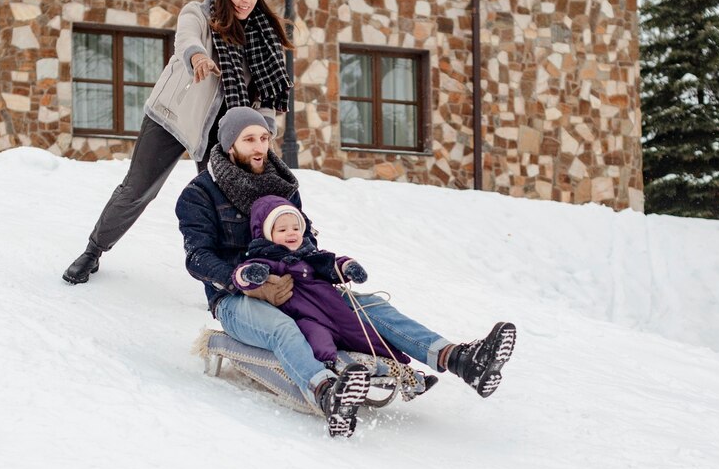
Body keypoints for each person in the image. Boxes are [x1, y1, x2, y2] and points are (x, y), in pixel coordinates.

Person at [176, 107, 517, 438]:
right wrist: (249, 284)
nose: (259, 147)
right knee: (282, 328)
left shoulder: (281, 185)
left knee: (371, 308)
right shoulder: (200, 193)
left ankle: (460, 359)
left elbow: (304, 241)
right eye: (249, 139)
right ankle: (325, 393)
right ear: (229, 144)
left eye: (264, 138)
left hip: (298, 287)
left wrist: (328, 268)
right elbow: (197, 258)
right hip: (235, 299)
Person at [62, 0, 293, 284]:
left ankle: (230, 276)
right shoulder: (198, 14)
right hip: (172, 116)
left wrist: (263, 133)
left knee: (228, 202)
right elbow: (187, 39)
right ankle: (93, 250)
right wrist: (198, 57)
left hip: (223, 130)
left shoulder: (264, 38)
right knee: (137, 190)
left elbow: (267, 96)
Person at [233, 195, 411, 368]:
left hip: (336, 312)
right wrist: (249, 274)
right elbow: (240, 275)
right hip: (305, 318)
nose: (291, 233)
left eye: (296, 228)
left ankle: (400, 364)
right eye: (282, 230)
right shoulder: (268, 260)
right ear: (267, 234)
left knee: (365, 336)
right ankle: (330, 368)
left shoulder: (310, 254)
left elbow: (331, 264)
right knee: (317, 339)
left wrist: (347, 267)